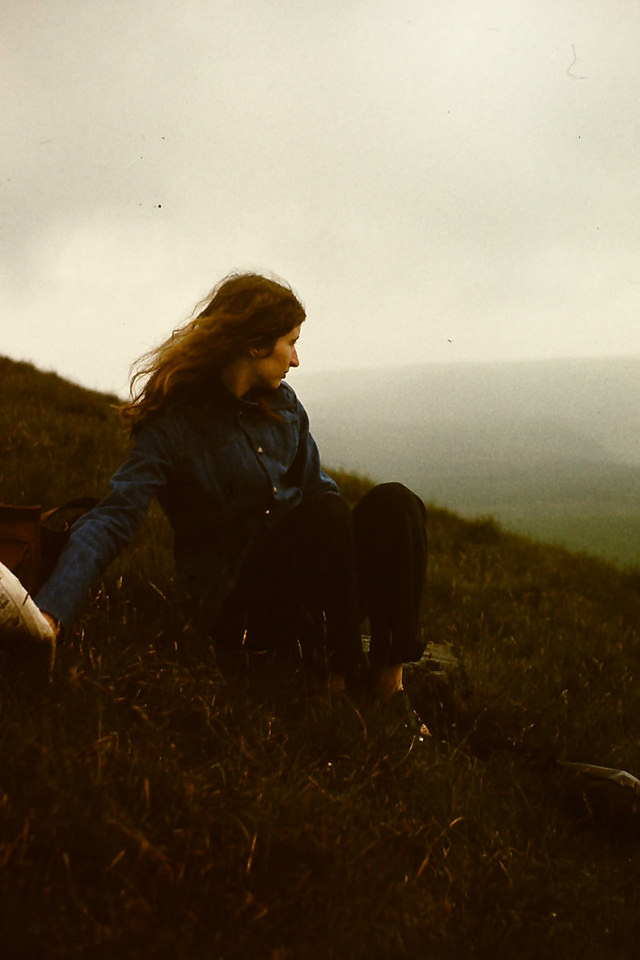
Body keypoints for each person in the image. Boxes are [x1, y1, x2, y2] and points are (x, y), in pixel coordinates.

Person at [0, 273, 427, 724]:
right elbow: (113, 518)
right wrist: (50, 614)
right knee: (324, 514)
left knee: (394, 504)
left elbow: (323, 494)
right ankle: (334, 689)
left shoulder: (284, 406)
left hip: (305, 590)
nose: (297, 360)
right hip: (238, 610)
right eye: (291, 342)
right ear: (255, 344)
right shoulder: (173, 425)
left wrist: (360, 572)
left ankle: (387, 690)